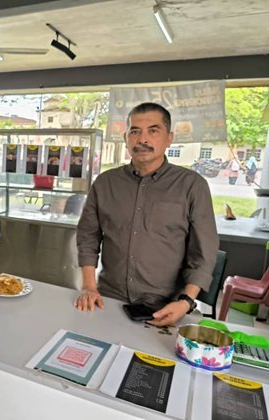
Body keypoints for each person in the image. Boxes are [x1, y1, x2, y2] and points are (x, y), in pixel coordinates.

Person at [75, 102, 218, 327]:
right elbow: (88, 237)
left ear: (169, 138)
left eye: (153, 131)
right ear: (126, 138)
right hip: (108, 300)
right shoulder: (105, 183)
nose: (142, 139)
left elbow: (203, 252)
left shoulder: (192, 186)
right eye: (135, 131)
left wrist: (186, 301)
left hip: (167, 307)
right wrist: (88, 286)